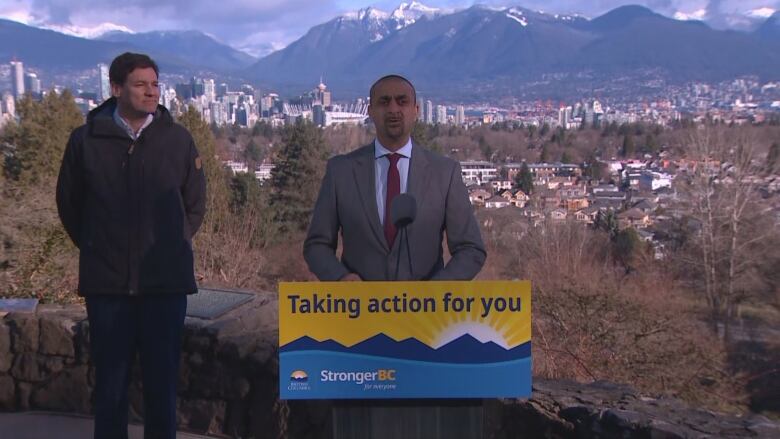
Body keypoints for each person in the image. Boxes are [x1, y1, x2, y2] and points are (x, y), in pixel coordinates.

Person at [56, 52, 206, 439]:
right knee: (110, 390)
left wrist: (172, 246)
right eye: (141, 84)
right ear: (116, 88)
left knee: (162, 391)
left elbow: (195, 204)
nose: (151, 92)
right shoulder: (86, 141)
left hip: (165, 287)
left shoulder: (178, 140)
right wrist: (96, 245)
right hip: (108, 289)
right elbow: (69, 204)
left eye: (155, 84)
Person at [304, 74, 485, 281]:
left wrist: (438, 290)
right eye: (384, 102)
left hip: (426, 310)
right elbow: (316, 245)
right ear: (370, 111)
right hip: (359, 309)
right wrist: (340, 278)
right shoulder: (341, 171)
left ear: (416, 110)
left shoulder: (445, 173)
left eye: (402, 101)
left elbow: (471, 249)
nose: (393, 109)